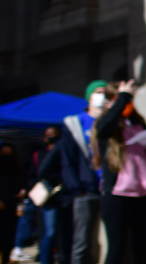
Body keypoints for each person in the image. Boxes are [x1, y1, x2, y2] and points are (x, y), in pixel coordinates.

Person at [93, 81, 146, 264]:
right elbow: (105, 127)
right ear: (109, 102)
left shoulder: (137, 123)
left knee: (141, 249)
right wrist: (123, 97)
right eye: (120, 99)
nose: (127, 103)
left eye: (130, 99)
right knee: (117, 248)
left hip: (144, 192)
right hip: (117, 193)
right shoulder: (106, 124)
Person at [58, 80, 107, 264]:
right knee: (83, 241)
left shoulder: (111, 121)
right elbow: (68, 161)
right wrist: (77, 188)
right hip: (86, 190)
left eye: (105, 92)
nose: (102, 96)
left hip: (111, 189)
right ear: (89, 96)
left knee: (116, 239)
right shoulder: (75, 123)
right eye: (98, 92)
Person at [35, 128, 72, 264]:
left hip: (65, 196)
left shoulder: (64, 150)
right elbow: (40, 172)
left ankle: (62, 258)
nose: (52, 137)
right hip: (50, 197)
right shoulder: (41, 154)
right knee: (51, 231)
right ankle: (45, 260)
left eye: (54, 134)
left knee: (65, 231)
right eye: (49, 135)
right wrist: (60, 180)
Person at [0, 143, 26, 264]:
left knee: (9, 237)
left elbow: (24, 184)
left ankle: (5, 260)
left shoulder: (17, 169)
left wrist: (23, 193)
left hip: (12, 206)